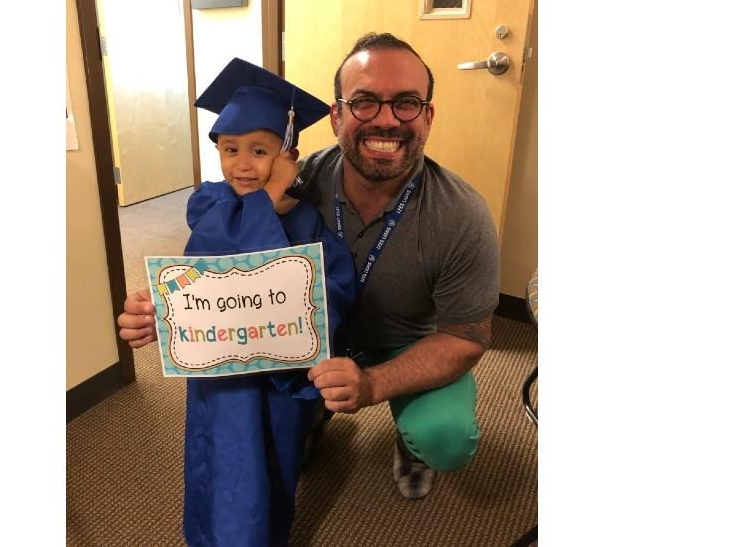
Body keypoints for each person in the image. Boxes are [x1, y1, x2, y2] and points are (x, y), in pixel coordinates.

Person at [119, 32, 499, 502]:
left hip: (402, 343)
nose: (385, 119)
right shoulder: (294, 181)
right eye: (364, 102)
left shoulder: (460, 215)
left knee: (446, 436)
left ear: (428, 115)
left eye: (406, 102)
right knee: (269, 439)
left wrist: (373, 383)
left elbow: (466, 338)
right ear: (337, 115)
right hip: (303, 341)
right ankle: (314, 413)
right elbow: (223, 269)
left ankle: (410, 439)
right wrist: (167, 310)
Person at [137, 57, 357, 547]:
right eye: (229, 148)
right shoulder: (213, 207)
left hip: (277, 384)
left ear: (288, 155)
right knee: (216, 462)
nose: (241, 163)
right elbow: (204, 273)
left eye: (260, 150)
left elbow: (327, 298)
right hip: (220, 379)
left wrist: (271, 196)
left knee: (271, 469)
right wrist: (159, 308)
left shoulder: (308, 225)